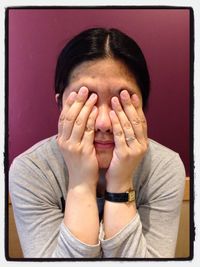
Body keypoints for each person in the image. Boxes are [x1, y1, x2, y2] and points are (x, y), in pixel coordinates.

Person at [9, 28, 185, 258]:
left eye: (120, 100)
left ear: (142, 108)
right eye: (87, 99)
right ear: (60, 105)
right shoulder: (31, 171)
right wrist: (81, 184)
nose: (103, 123)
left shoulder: (165, 168)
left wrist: (120, 183)